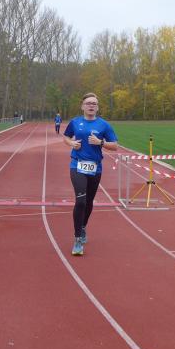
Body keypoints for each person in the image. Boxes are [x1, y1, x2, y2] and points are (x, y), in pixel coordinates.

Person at [62, 93, 118, 256]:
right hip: (77, 165)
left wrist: (101, 142)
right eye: (88, 103)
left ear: (97, 107)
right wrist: (71, 143)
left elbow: (115, 146)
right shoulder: (75, 122)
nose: (91, 106)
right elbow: (66, 137)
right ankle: (77, 239)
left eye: (94, 103)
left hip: (95, 168)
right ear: (83, 106)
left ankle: (83, 226)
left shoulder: (104, 125)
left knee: (88, 202)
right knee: (80, 201)